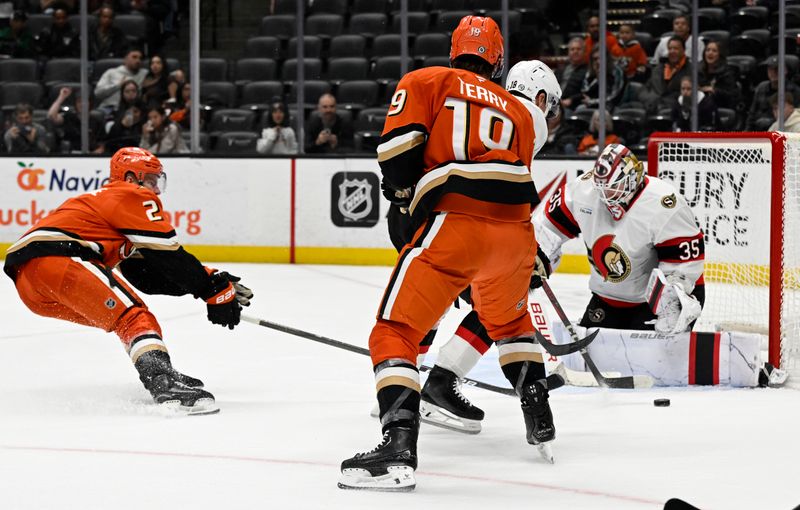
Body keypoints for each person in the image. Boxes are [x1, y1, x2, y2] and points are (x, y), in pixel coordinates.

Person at [339, 16, 550, 492]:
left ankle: (397, 443)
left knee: (395, 330)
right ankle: (539, 413)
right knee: (510, 323)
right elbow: (512, 181)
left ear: (454, 50)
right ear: (498, 60)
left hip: (454, 224)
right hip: (515, 235)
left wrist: (405, 196)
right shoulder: (520, 113)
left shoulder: (426, 80)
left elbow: (396, 156)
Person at [3, 147, 253, 415]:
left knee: (125, 321)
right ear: (132, 178)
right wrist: (211, 289)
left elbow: (147, 276)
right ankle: (161, 381)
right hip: (59, 262)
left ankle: (160, 369)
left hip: (31, 287)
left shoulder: (103, 208)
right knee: (134, 318)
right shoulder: (131, 195)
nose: (156, 189)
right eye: (152, 179)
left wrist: (210, 281)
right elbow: (170, 257)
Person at [411, 59, 562, 435]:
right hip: (474, 223)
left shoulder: (479, 100)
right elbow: (508, 186)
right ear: (539, 96)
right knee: (501, 304)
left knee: (430, 298)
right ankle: (441, 381)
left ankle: (404, 384)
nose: (549, 114)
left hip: (431, 209)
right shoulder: (528, 116)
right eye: (550, 104)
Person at [47, 86, 106, 153]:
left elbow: (101, 147)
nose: (82, 104)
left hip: (90, 155)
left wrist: (91, 156)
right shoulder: (68, 117)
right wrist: (62, 97)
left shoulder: (97, 122)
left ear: (90, 103)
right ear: (75, 104)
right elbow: (51, 116)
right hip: (69, 155)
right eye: (79, 102)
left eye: (85, 102)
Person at [746, 56, 800, 131]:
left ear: (785, 71)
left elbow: (793, 116)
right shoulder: (761, 88)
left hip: (782, 130)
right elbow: (752, 115)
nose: (773, 72)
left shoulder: (794, 91)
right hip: (758, 131)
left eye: (776, 69)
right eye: (770, 69)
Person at [640, 36, 690, 114]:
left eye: (676, 49)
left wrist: (663, 102)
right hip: (652, 105)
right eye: (670, 48)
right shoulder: (658, 68)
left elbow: (687, 94)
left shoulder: (691, 70)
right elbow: (644, 90)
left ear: (683, 50)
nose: (672, 51)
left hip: (674, 108)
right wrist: (652, 100)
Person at [95, 47, 148, 113]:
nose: (138, 60)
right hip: (110, 108)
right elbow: (98, 93)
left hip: (133, 110)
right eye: (134, 57)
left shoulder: (144, 73)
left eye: (140, 58)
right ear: (125, 59)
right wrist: (118, 85)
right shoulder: (111, 72)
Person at [577, 46, 627, 112]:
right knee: (580, 109)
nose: (598, 62)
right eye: (595, 59)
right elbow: (585, 91)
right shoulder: (591, 71)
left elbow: (614, 96)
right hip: (594, 104)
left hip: (614, 105)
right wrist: (598, 77)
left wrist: (592, 102)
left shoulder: (616, 71)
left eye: (601, 58)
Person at [697, 40, 739, 111]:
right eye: (708, 50)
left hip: (721, 105)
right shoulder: (699, 70)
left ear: (720, 54)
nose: (710, 53)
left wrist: (714, 90)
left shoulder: (727, 73)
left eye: (714, 51)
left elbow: (731, 95)